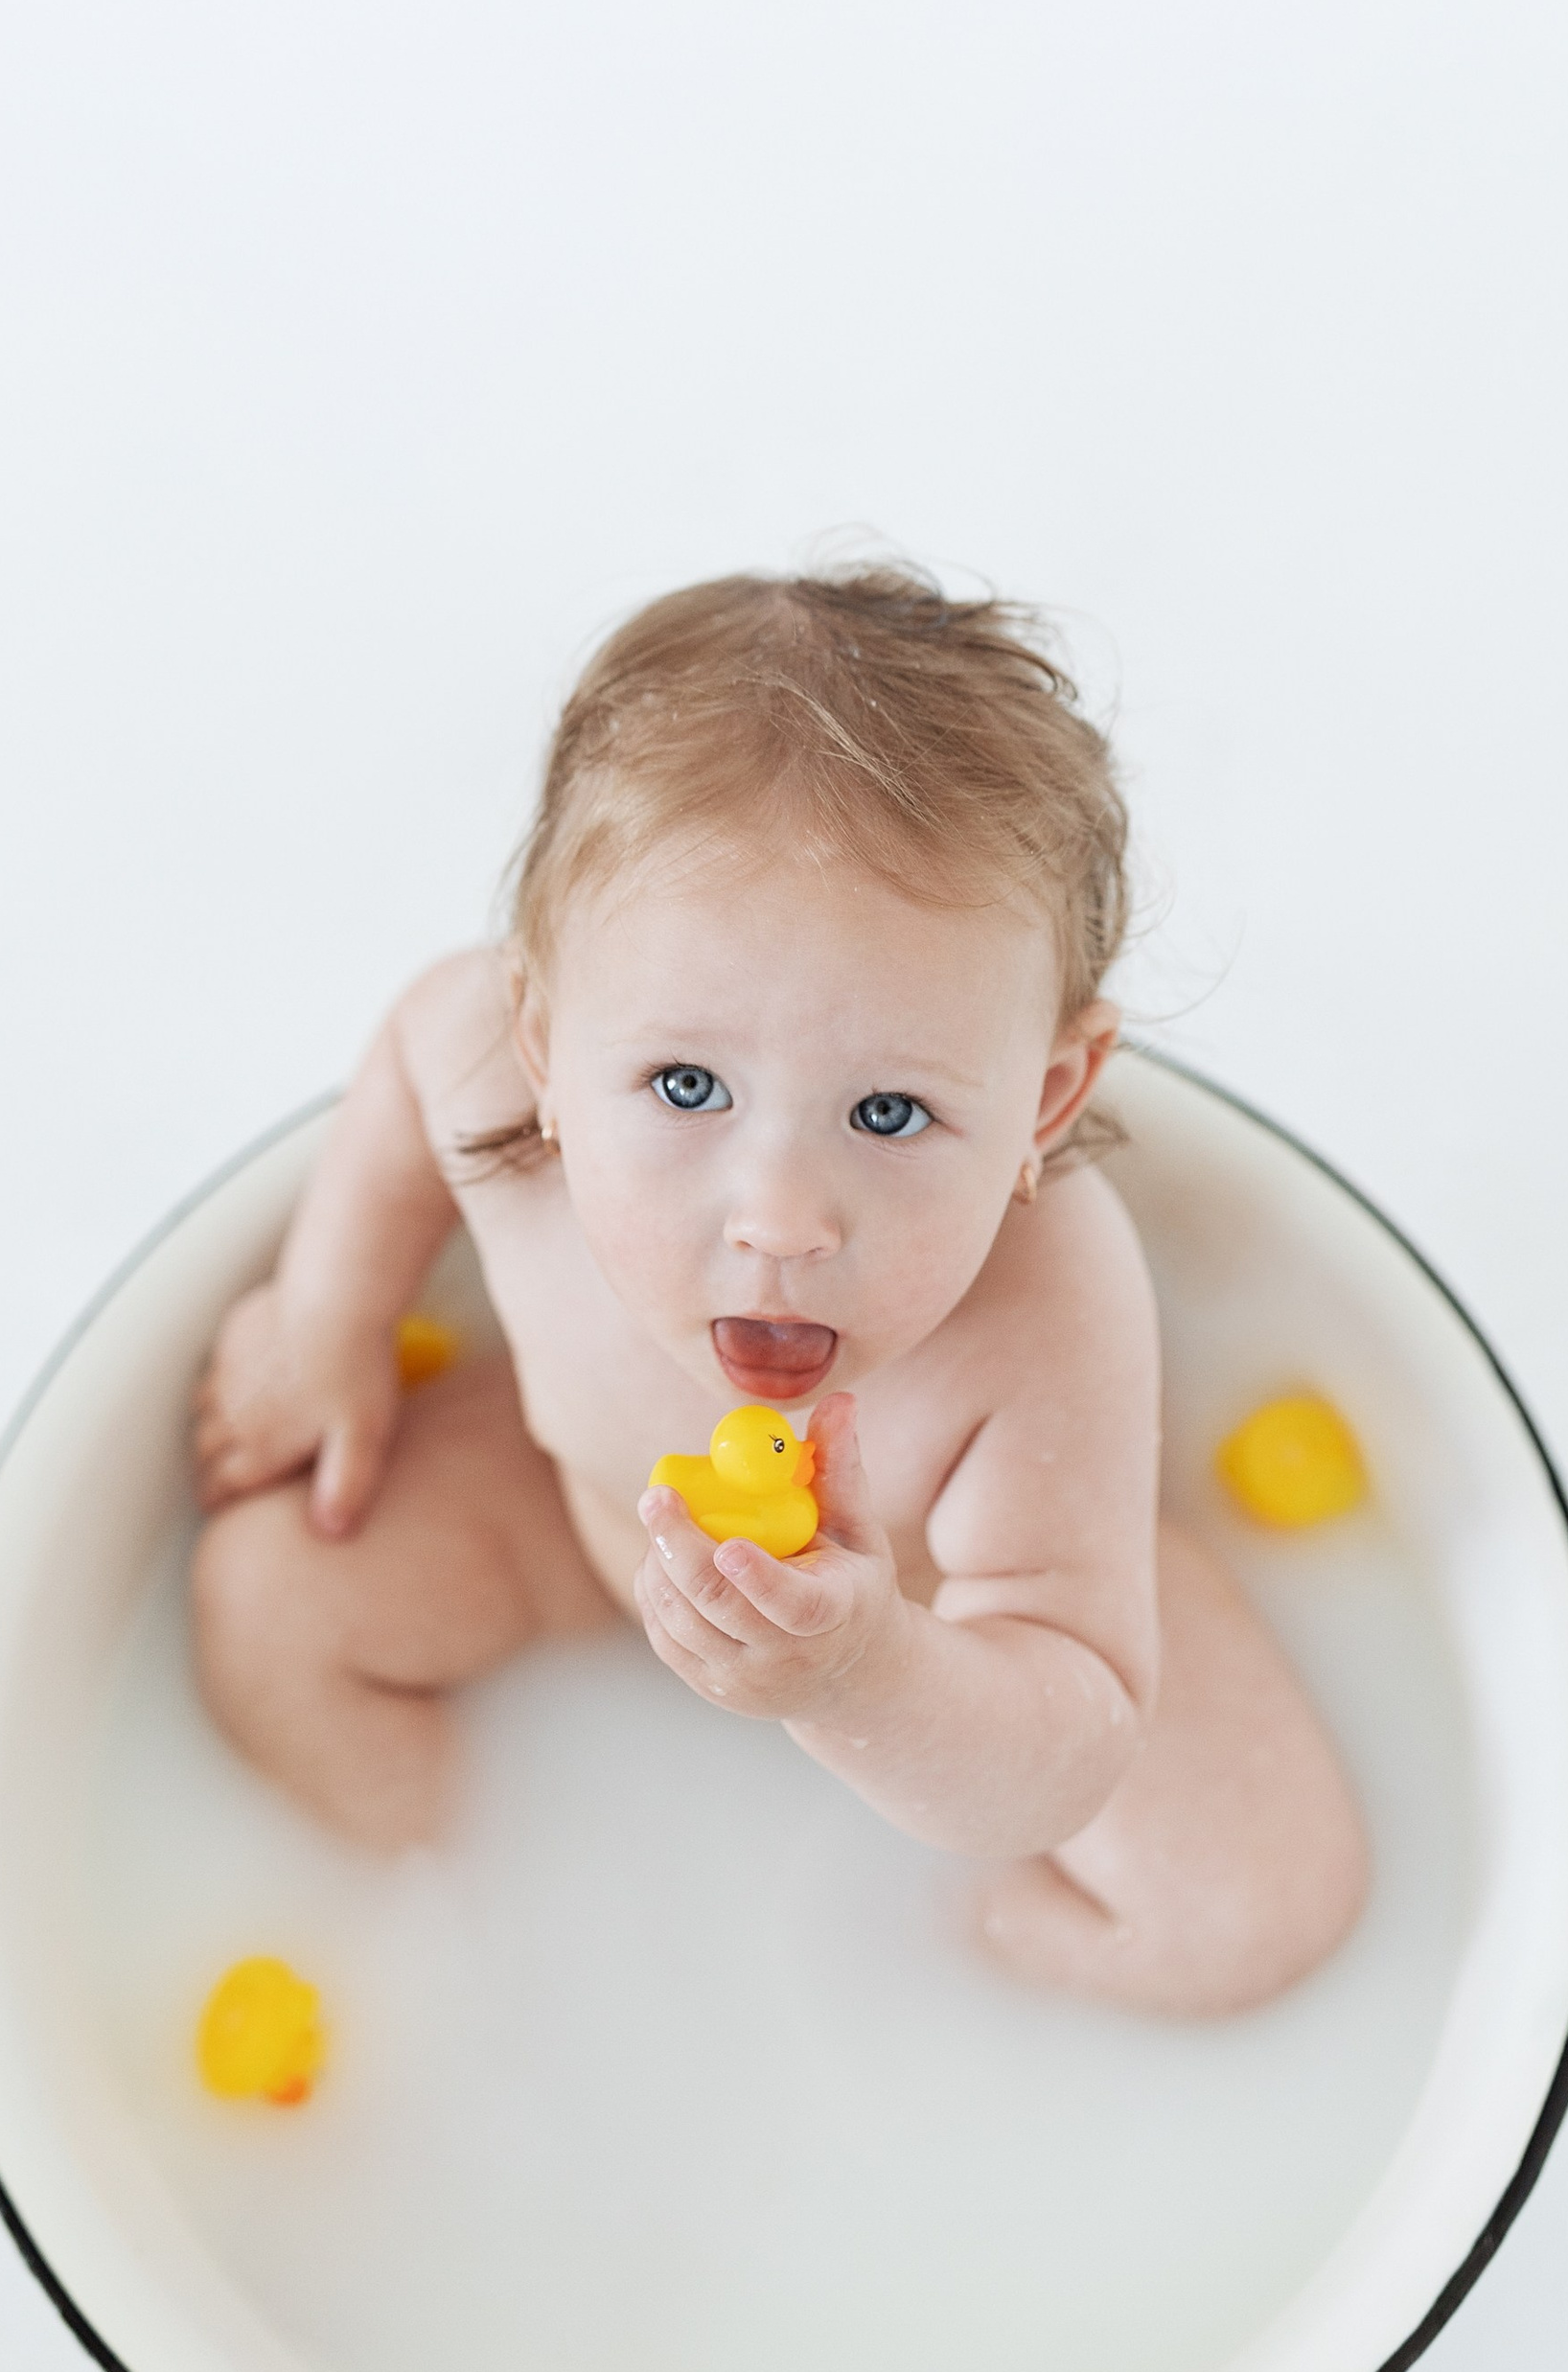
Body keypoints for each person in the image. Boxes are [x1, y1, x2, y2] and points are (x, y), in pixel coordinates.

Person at [190, 567, 1365, 2015]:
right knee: (263, 1601)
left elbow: (1071, 1739)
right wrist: (330, 1322)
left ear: (1045, 1100)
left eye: (887, 1115)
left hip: (956, 1621)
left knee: (1260, 1909)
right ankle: (460, 1925)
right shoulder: (493, 1075)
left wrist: (869, 1672)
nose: (781, 1223)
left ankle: (953, 1968)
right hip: (590, 1531)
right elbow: (401, 1075)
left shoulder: (1048, 1299)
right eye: (687, 1087)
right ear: (549, 1047)